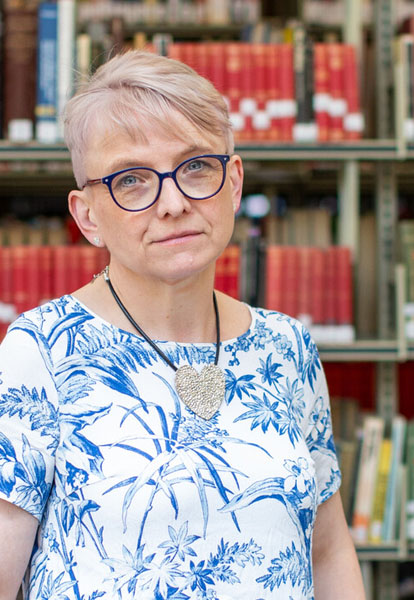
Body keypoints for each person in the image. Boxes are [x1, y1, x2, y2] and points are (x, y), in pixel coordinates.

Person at [0, 50, 365, 600]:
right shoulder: (41, 352)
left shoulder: (287, 347)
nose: (172, 202)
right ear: (87, 216)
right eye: (132, 180)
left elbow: (330, 551)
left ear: (234, 183)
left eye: (196, 167)